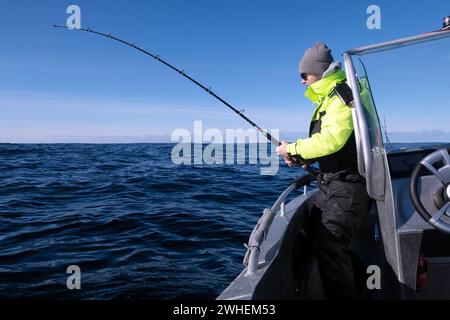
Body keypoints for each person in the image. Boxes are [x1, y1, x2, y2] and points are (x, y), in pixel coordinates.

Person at [276, 42, 370, 299]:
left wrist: (293, 148)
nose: (302, 81)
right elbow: (333, 148)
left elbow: (333, 140)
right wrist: (297, 155)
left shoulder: (341, 95)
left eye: (304, 75)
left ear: (319, 72)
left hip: (350, 183)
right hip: (332, 181)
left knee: (330, 241)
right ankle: (361, 283)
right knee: (310, 232)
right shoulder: (329, 97)